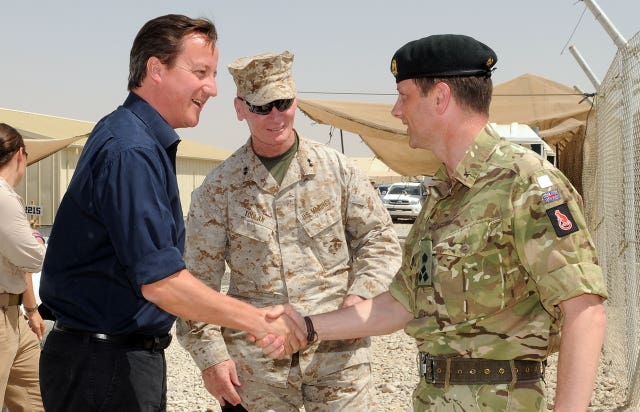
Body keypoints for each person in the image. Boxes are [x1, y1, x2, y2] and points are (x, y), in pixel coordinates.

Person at [258, 34, 608, 411]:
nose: (396, 110)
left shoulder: (525, 184)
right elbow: (400, 305)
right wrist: (308, 326)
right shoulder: (442, 197)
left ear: (440, 97)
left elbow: (584, 310)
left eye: (404, 96)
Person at [38, 15, 305, 412]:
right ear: (155, 69)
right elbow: (161, 283)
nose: (212, 89)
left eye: (213, 75)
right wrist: (260, 321)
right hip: (103, 367)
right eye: (200, 72)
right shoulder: (130, 150)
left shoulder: (134, 138)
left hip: (110, 360)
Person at [176, 50, 402, 411]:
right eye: (261, 107)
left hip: (339, 364)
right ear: (240, 108)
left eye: (283, 103)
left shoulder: (338, 172)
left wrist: (361, 296)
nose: (275, 116)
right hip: (257, 373)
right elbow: (196, 285)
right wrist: (211, 359)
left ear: (295, 100)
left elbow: (380, 242)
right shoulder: (220, 188)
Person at [0, 123, 46, 412]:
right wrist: (37, 240)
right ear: (20, 155)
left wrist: (31, 309)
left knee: (37, 398)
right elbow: (33, 258)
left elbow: (17, 264)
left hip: (13, 313)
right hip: (2, 320)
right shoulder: (4, 199)